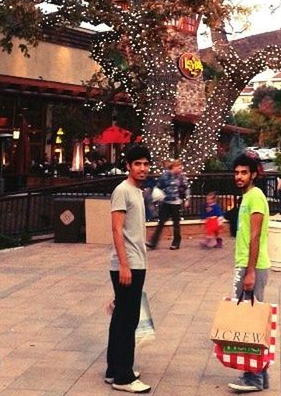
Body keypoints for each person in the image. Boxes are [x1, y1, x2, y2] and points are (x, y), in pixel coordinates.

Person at [106, 143, 152, 394]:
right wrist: (124, 265)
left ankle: (114, 369)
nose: (142, 168)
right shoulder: (122, 190)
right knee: (128, 320)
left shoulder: (136, 191)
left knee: (121, 317)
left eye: (145, 164)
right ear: (128, 166)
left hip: (135, 262)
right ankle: (124, 376)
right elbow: (116, 229)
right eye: (137, 164)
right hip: (128, 264)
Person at [228, 153, 271, 393]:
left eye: (244, 172)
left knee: (248, 321)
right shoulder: (248, 197)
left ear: (253, 174)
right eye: (236, 172)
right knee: (250, 319)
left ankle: (252, 376)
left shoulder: (255, 197)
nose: (239, 177)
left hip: (252, 265)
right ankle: (259, 375)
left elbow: (255, 236)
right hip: (246, 264)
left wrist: (250, 272)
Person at [146, 159, 190, 250]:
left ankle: (176, 242)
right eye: (179, 167)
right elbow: (158, 187)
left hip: (176, 203)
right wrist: (156, 196)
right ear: (174, 167)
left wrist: (187, 199)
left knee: (176, 224)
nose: (180, 169)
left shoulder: (181, 177)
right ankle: (153, 242)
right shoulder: (165, 176)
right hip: (166, 202)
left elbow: (186, 188)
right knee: (161, 222)